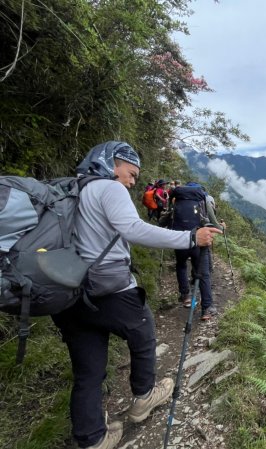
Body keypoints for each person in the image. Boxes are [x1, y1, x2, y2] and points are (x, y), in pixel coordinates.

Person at [51, 141, 222, 449]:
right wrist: (189, 237)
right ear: (110, 163)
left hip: (66, 289)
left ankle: (92, 438)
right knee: (143, 334)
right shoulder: (109, 188)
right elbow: (132, 229)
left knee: (87, 371)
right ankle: (144, 398)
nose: (132, 182)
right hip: (108, 288)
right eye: (130, 173)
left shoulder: (70, 190)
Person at [170, 182, 223, 320]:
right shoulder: (203, 199)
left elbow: (168, 219)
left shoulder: (177, 199)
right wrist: (222, 227)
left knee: (181, 265)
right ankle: (207, 309)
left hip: (179, 239)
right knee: (203, 274)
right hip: (199, 242)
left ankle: (185, 296)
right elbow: (213, 223)